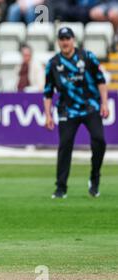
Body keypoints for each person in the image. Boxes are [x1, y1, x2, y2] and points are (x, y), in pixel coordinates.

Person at [44, 27, 109, 198]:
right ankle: (61, 188)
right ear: (58, 41)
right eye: (62, 39)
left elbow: (101, 81)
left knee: (99, 140)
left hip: (90, 106)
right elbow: (48, 92)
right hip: (67, 109)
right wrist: (48, 114)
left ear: (73, 40)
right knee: (65, 146)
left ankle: (94, 179)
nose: (65, 42)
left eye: (68, 38)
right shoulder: (53, 63)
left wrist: (104, 103)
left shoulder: (87, 57)